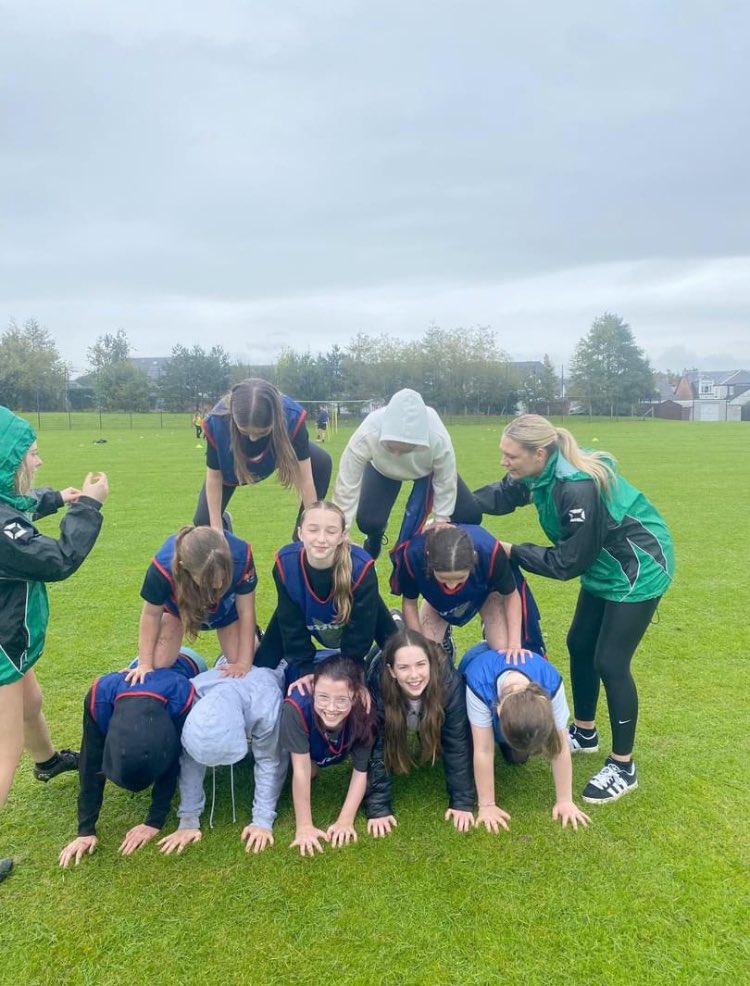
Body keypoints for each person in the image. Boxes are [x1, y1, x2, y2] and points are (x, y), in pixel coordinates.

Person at [473, 414, 675, 804]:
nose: (504, 462)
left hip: (637, 567)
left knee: (610, 661)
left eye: (510, 455)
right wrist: (453, 505)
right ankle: (584, 730)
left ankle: (623, 765)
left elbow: (568, 563)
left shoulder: (576, 487)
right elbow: (501, 494)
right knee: (579, 643)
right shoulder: (540, 472)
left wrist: (511, 550)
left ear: (539, 453)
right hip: (603, 565)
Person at [0, 406, 108, 883]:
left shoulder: (6, 503)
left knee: (33, 701)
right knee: (4, 749)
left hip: (10, 643)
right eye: (32, 455)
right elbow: (56, 558)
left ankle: (46, 762)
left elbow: (16, 507)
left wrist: (55, 498)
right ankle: (32, 759)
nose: (39, 461)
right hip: (3, 644)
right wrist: (88, 506)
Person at [58, 651, 204, 868]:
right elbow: (90, 761)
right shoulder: (99, 698)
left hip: (190, 662)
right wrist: (85, 830)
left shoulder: (181, 695)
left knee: (193, 742)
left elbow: (176, 758)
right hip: (139, 672)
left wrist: (154, 821)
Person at [254, 501, 397, 683]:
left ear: (342, 536)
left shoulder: (361, 567)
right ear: (300, 533)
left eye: (330, 531)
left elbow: (358, 636)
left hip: (363, 617)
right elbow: (291, 624)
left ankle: (395, 622)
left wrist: (347, 671)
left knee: (400, 658)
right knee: (260, 668)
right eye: (313, 530)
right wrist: (305, 668)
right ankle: (257, 642)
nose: (321, 539)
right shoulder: (286, 564)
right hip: (304, 612)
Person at [157, 662, 288, 857]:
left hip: (271, 668)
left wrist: (262, 821)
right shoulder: (191, 694)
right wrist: (188, 819)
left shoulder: (266, 702)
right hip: (225, 667)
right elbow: (190, 761)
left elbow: (270, 761)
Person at [333, 389, 481, 559]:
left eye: (405, 450)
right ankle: (375, 536)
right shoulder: (368, 431)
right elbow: (347, 482)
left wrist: (441, 518)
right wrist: (341, 529)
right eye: (391, 447)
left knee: (470, 515)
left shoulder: (437, 436)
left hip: (427, 471)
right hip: (382, 470)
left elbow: (445, 478)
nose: (396, 455)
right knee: (369, 522)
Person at [460, 641, 591, 832]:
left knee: (518, 756)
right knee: (469, 744)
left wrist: (565, 800)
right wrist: (486, 806)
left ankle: (512, 745)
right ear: (497, 711)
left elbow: (559, 745)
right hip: (475, 668)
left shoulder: (551, 682)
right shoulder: (478, 682)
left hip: (511, 695)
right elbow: (484, 749)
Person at [366, 628, 475, 836]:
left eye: (421, 665)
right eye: (404, 667)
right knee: (392, 728)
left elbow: (457, 743)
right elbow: (377, 746)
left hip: (433, 698)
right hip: (376, 661)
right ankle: (396, 621)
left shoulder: (450, 683)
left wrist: (462, 802)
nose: (414, 675)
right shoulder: (378, 682)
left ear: (431, 664)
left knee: (436, 728)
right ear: (391, 671)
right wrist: (378, 807)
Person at [194, 379, 332, 539]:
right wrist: (216, 529)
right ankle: (225, 534)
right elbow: (214, 477)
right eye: (245, 432)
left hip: (273, 457)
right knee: (204, 524)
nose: (253, 438)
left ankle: (299, 541)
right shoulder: (217, 423)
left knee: (322, 461)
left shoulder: (292, 417)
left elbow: (307, 479)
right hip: (232, 469)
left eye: (261, 433)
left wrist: (312, 528)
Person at [389, 523, 545, 663]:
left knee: (502, 649)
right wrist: (418, 646)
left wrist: (514, 644)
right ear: (429, 560)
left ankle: (487, 626)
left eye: (460, 578)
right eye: (444, 579)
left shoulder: (489, 551)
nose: (452, 585)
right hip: (437, 601)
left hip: (485, 594)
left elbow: (511, 596)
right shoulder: (413, 555)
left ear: (474, 560)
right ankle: (435, 634)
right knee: (428, 658)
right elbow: (409, 602)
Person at [127, 526, 258, 685]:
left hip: (227, 612)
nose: (218, 585)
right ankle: (190, 661)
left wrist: (243, 663)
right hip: (178, 613)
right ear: (184, 567)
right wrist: (145, 664)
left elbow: (246, 611)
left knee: (250, 660)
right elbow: (151, 615)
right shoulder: (162, 568)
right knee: (157, 664)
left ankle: (243, 646)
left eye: (223, 576)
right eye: (208, 581)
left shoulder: (241, 556)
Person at [280, 655, 376, 856]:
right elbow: (301, 770)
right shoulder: (295, 708)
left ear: (356, 696)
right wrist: (304, 826)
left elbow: (361, 770)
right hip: (309, 749)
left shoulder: (365, 709)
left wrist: (345, 820)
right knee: (310, 771)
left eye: (341, 700)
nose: (331, 708)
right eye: (323, 697)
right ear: (313, 690)